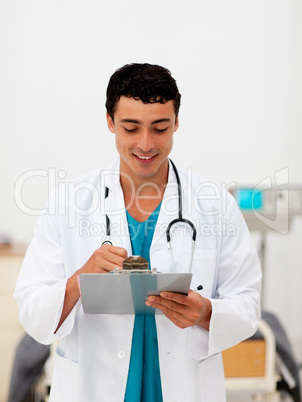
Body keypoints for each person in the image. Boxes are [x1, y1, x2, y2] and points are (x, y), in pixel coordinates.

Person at [14, 63, 262, 402]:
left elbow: (248, 305)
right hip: (93, 386)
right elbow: (31, 311)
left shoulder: (215, 204)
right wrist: (79, 282)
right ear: (110, 122)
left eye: (160, 128)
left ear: (176, 123)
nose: (145, 144)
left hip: (183, 387)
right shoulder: (68, 202)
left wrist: (206, 313)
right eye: (131, 128)